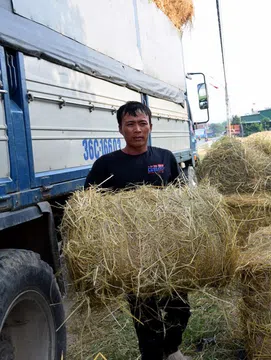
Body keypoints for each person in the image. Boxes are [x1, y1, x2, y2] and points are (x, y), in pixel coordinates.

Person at [84, 101, 191, 360]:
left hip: (167, 247)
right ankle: (152, 355)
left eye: (142, 123)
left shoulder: (164, 158)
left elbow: (183, 198)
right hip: (131, 253)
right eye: (130, 124)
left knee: (180, 307)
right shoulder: (106, 165)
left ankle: (171, 349)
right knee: (145, 313)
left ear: (151, 126)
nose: (137, 129)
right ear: (120, 129)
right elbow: (88, 206)